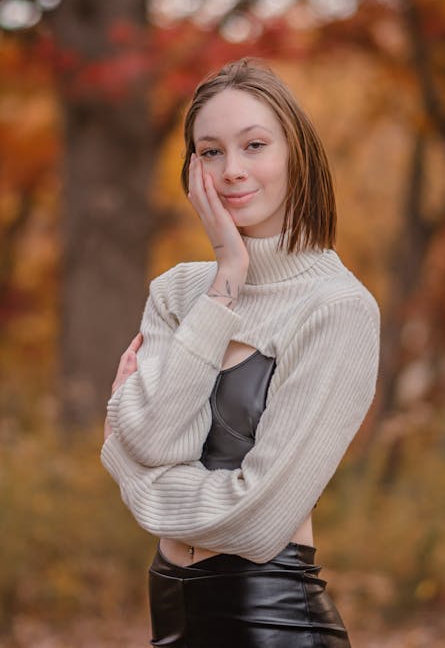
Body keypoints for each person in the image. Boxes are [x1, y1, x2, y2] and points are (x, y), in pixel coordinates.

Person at [101, 58, 381, 647]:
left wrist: (135, 481)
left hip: (269, 617)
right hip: (169, 606)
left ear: (294, 155)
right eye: (210, 151)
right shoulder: (178, 291)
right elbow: (155, 440)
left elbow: (257, 520)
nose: (232, 171)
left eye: (254, 145)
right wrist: (227, 273)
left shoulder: (336, 307)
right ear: (191, 167)